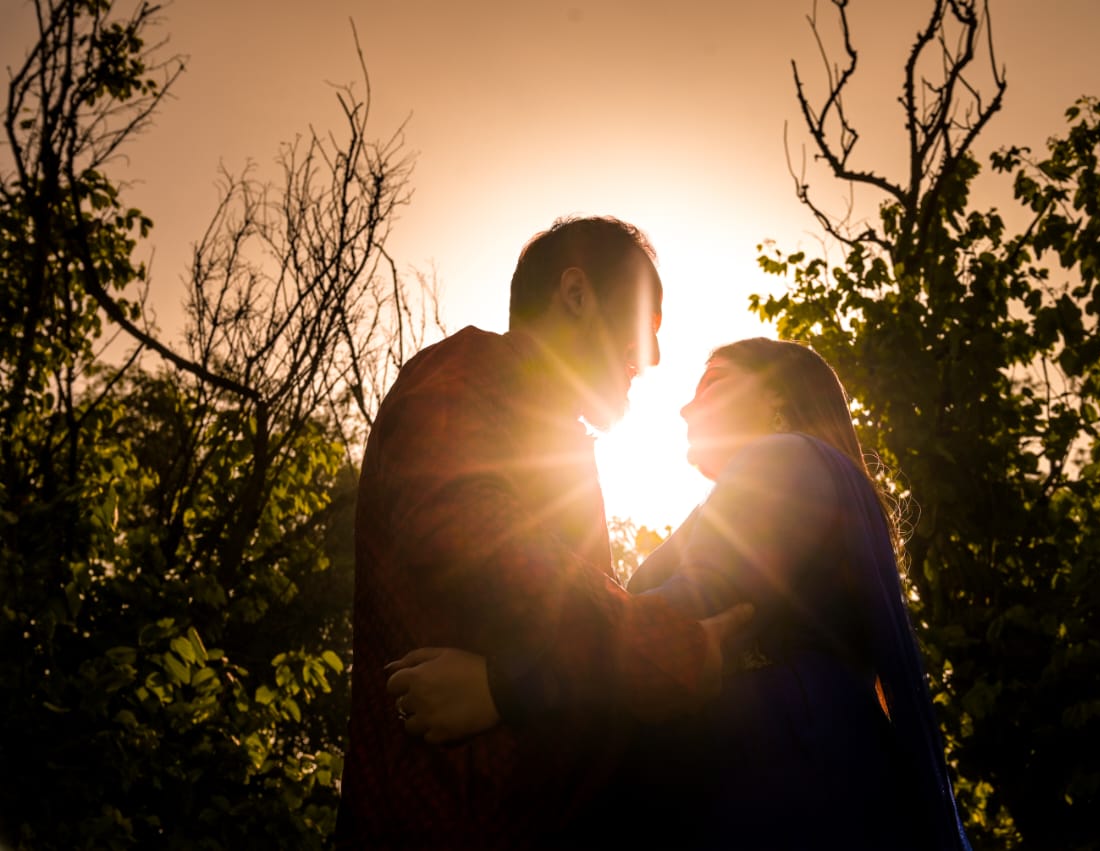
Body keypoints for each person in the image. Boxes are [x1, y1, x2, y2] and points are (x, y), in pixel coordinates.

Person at [388, 338, 972, 850]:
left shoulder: (784, 457)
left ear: (778, 397)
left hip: (785, 775)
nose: (687, 406)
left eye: (713, 383)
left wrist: (502, 687)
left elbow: (683, 606)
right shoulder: (759, 488)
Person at [337, 216, 751, 849]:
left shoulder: (553, 433)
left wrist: (509, 689)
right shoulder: (466, 372)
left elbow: (556, 637)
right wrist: (668, 647)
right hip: (454, 817)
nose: (655, 356)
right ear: (577, 294)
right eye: (645, 323)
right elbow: (467, 537)